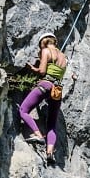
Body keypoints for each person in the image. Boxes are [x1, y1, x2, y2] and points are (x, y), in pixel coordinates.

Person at [19, 32, 68, 164]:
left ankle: (38, 135)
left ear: (44, 41)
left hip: (45, 85)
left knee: (23, 110)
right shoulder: (64, 57)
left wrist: (32, 68)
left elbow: (42, 71)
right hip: (57, 91)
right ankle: (50, 152)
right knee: (52, 124)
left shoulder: (46, 51)